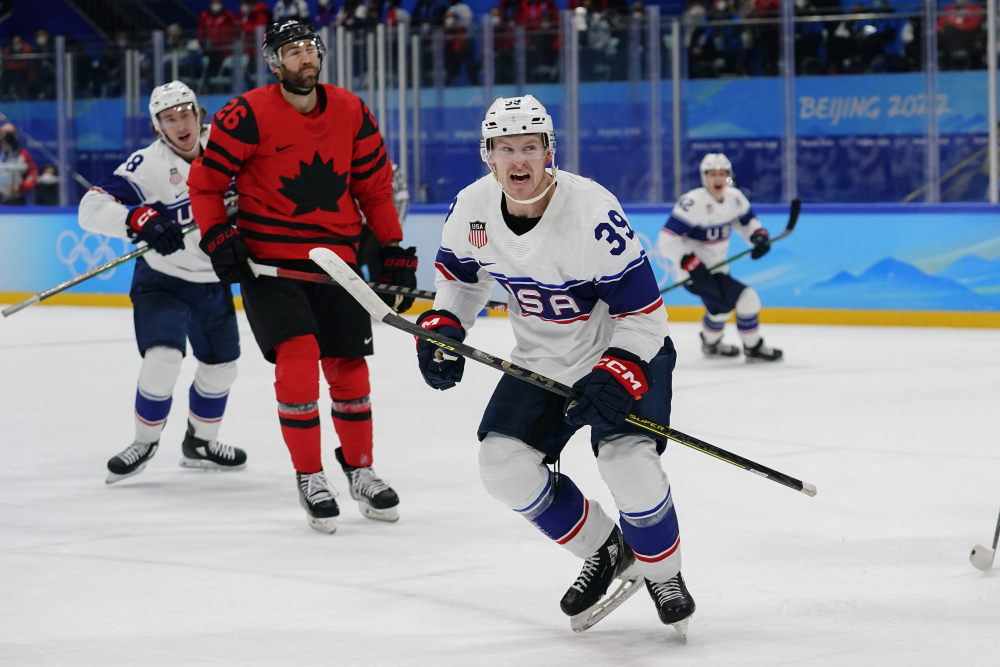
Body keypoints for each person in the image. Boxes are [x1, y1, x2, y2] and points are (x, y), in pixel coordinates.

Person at [415, 95, 695, 636]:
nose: (518, 161)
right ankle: (609, 551)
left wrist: (618, 373)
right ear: (487, 155)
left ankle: (664, 573)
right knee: (502, 467)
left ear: (549, 152)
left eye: (529, 147)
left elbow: (644, 315)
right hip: (543, 359)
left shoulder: (591, 213)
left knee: (626, 463)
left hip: (627, 350)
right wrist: (445, 328)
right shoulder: (471, 209)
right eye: (505, 149)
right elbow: (459, 284)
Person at [188, 20, 418, 534]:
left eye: (309, 48)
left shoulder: (351, 109)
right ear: (274, 63)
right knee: (298, 361)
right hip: (272, 264)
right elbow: (204, 185)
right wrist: (218, 237)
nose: (304, 58)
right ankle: (310, 475)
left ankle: (360, 469)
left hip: (336, 264)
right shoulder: (246, 114)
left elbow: (375, 188)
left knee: (350, 368)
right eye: (291, 52)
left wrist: (392, 247)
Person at [78, 81, 247, 483]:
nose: (180, 123)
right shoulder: (148, 164)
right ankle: (144, 441)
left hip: (213, 279)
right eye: (169, 118)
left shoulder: (229, 146)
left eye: (186, 113)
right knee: (164, 357)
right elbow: (90, 208)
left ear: (199, 114)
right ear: (158, 127)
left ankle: (201, 443)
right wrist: (138, 220)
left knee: (222, 367)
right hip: (163, 279)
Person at [656, 153, 782, 361]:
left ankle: (710, 343)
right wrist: (691, 262)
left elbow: (747, 223)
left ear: (729, 176)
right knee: (747, 299)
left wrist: (757, 237)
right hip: (695, 273)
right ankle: (753, 347)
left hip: (718, 268)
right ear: (704, 177)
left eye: (722, 174)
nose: (718, 179)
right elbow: (666, 240)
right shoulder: (692, 202)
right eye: (712, 174)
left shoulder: (735, 198)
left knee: (720, 307)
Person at [0, 123, 37, 205]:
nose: (7, 136)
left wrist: (21, 187)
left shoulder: (23, 154)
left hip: (16, 197)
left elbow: (33, 174)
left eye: (10, 133)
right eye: (5, 133)